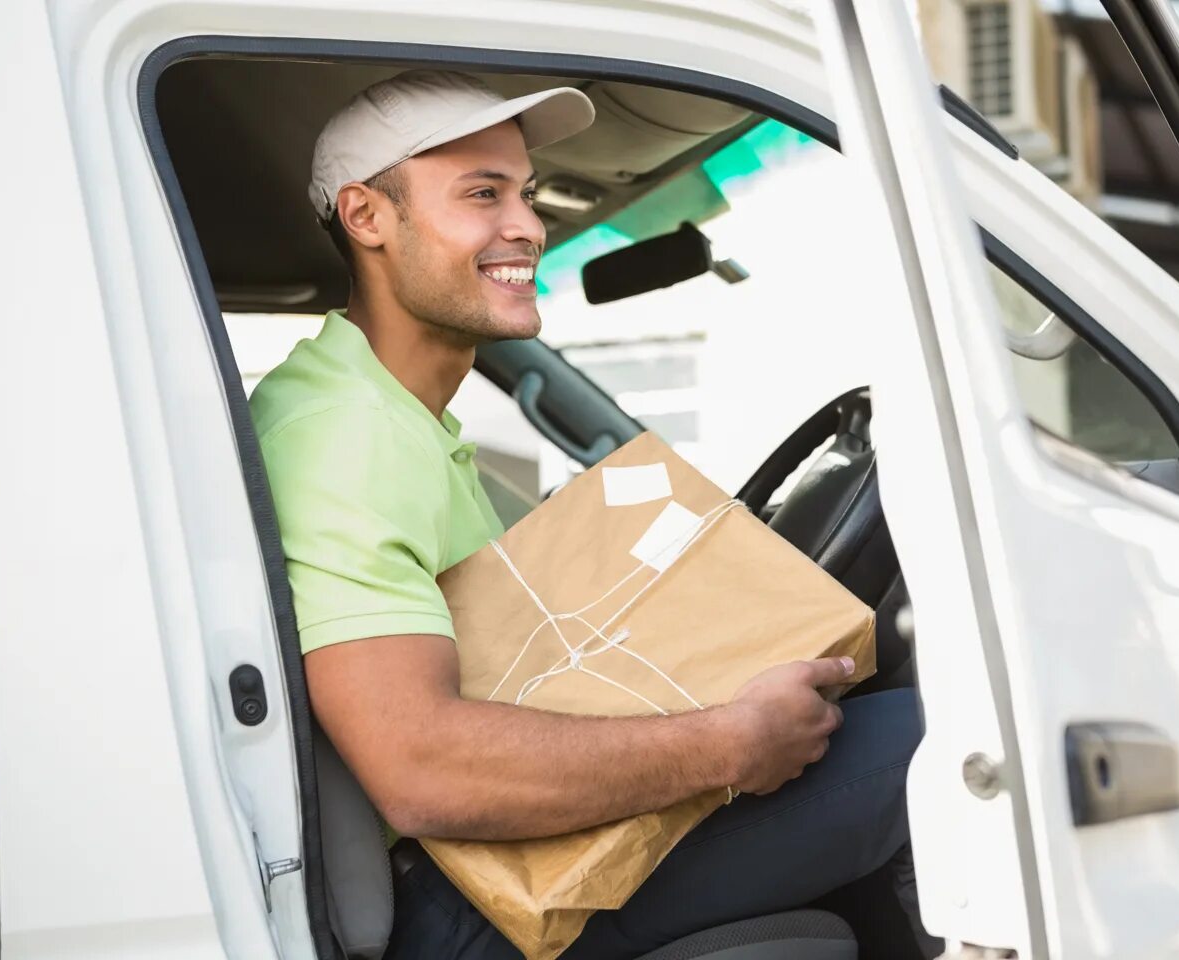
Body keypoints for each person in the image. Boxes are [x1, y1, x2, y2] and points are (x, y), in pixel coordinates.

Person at [250, 69, 931, 959]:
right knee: (946, 737)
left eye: (526, 194)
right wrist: (733, 742)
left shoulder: (388, 414)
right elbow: (423, 768)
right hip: (467, 906)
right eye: (482, 194)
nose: (528, 226)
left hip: (481, 860)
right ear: (367, 218)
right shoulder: (344, 437)